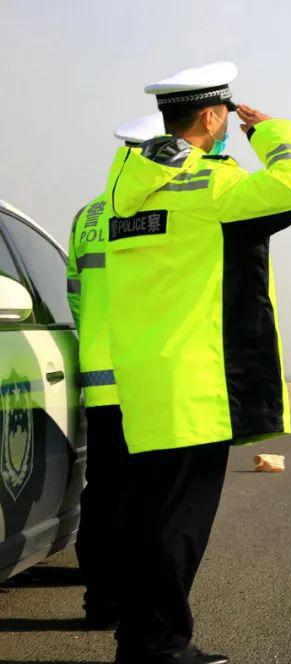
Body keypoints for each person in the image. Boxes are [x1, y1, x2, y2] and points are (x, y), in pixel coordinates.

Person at [104, 61, 291, 664]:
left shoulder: (126, 186)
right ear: (211, 116)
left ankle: (139, 639)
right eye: (225, 117)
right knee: (179, 527)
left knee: (151, 518)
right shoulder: (208, 191)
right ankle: (159, 645)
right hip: (197, 382)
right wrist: (276, 134)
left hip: (147, 378)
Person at [66, 113, 164, 630]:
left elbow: (76, 297)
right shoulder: (165, 211)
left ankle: (99, 604)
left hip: (101, 385)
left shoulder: (86, 215)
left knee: (101, 497)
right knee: (150, 504)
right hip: (150, 384)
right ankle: (138, 609)